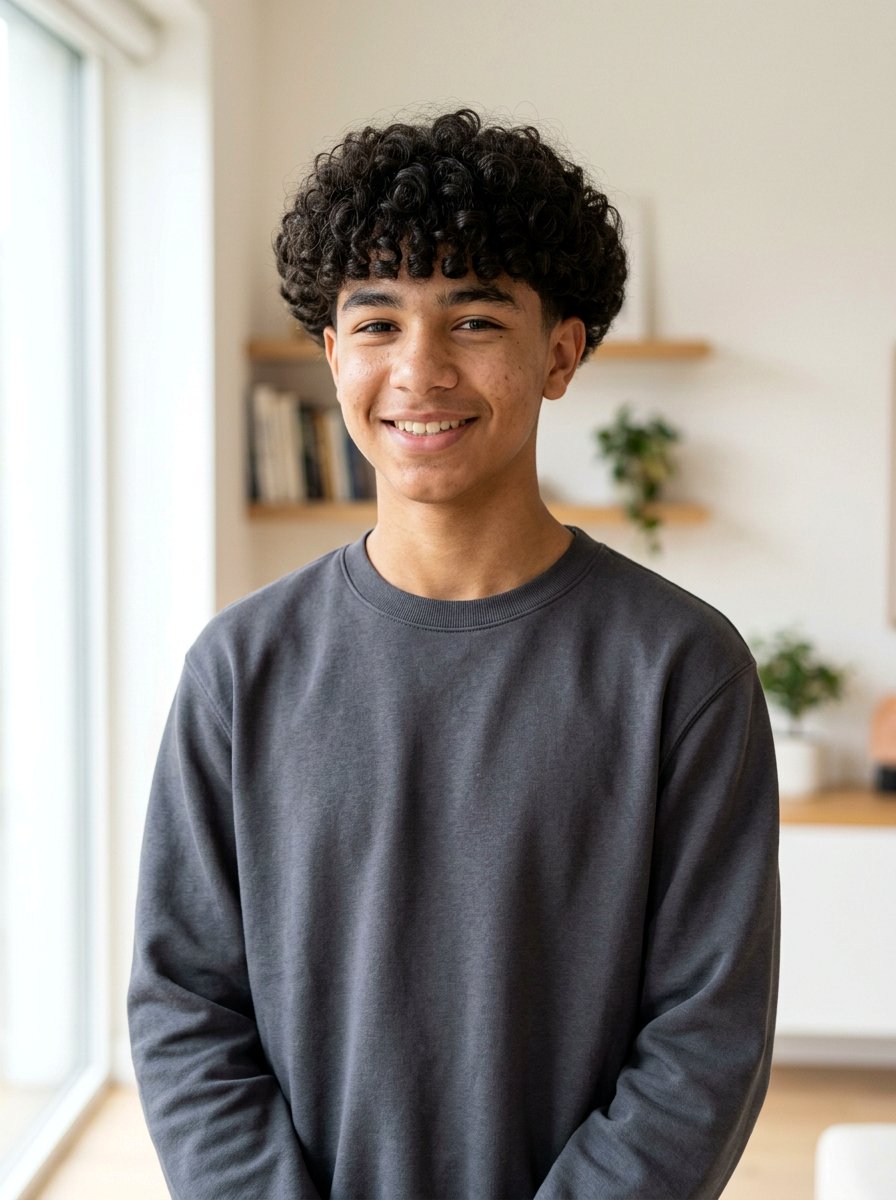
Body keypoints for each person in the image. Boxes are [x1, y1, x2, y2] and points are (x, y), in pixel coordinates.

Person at [128, 107, 780, 1200]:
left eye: (473, 320)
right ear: (332, 355)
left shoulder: (680, 668)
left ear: (559, 352)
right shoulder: (239, 668)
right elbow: (183, 1005)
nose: (417, 370)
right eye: (376, 324)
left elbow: (704, 1039)